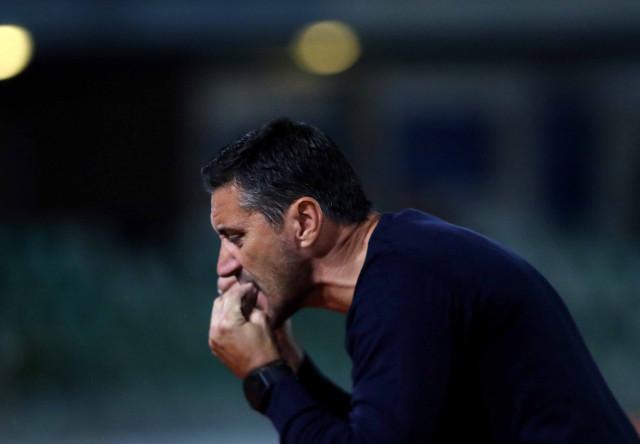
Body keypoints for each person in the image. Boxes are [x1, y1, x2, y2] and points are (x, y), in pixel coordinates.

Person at [202, 117, 639, 443]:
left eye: (235, 237)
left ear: (304, 222)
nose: (224, 266)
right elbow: (383, 432)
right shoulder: (404, 261)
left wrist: (265, 375)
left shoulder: (402, 283)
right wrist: (291, 368)